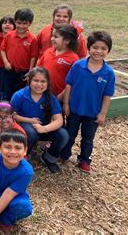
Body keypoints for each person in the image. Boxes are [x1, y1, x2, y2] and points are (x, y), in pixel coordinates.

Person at [61, 31, 115, 173]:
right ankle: (64, 154)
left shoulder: (108, 73)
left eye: (103, 48)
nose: (99, 51)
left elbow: (107, 95)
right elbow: (69, 85)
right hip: (74, 109)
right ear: (89, 48)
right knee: (69, 134)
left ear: (108, 50)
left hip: (92, 113)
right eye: (95, 47)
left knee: (88, 138)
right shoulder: (78, 66)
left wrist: (103, 113)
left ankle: (84, 160)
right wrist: (66, 104)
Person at [11, 67, 69, 174]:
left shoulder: (50, 98)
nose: (39, 84)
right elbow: (12, 115)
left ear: (47, 83)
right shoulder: (19, 95)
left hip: (43, 128)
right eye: (36, 80)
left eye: (43, 81)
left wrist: (44, 128)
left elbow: (59, 120)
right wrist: (29, 120)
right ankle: (23, 157)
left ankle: (49, 158)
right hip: (25, 127)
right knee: (31, 133)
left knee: (63, 135)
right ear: (29, 81)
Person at [0, 8, 39, 100]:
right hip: (9, 70)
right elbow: (2, 49)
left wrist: (30, 72)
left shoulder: (32, 39)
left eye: (25, 23)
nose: (21, 26)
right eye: (19, 23)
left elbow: (34, 56)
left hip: (23, 73)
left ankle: (17, 112)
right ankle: (6, 111)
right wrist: (5, 62)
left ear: (30, 23)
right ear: (15, 21)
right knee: (6, 92)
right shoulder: (9, 36)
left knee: (20, 95)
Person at [37, 23, 79, 100]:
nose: (52, 39)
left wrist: (62, 96)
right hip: (42, 94)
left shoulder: (74, 59)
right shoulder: (48, 51)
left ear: (67, 40)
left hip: (59, 98)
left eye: (55, 37)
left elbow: (73, 82)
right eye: (52, 36)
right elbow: (39, 69)